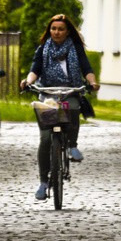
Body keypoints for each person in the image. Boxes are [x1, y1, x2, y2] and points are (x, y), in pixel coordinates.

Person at [19, 13, 100, 201]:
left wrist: (92, 82)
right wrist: (28, 81)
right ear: (49, 31)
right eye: (53, 29)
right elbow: (35, 69)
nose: (56, 32)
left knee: (72, 109)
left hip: (70, 91)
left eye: (60, 29)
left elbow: (86, 68)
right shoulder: (43, 48)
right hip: (48, 93)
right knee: (46, 138)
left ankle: (72, 145)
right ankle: (43, 182)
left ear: (67, 31)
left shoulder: (75, 48)